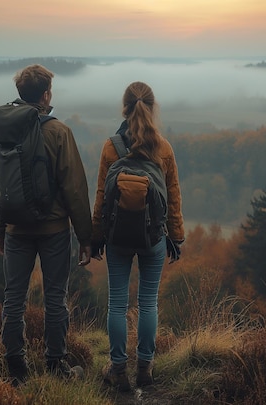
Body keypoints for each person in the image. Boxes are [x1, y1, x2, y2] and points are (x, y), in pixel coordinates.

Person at [0, 64, 93, 386]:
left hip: (15, 229)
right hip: (54, 229)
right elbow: (74, 189)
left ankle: (15, 370)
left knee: (13, 298)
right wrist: (86, 237)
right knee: (55, 297)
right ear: (46, 95)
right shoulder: (58, 132)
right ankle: (56, 364)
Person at [91, 81, 185, 392]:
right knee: (148, 303)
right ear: (152, 108)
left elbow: (102, 196)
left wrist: (95, 236)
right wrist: (177, 236)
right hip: (153, 238)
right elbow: (173, 197)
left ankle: (118, 371)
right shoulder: (164, 147)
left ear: (124, 108)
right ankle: (145, 367)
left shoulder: (110, 146)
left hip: (117, 237)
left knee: (116, 304)